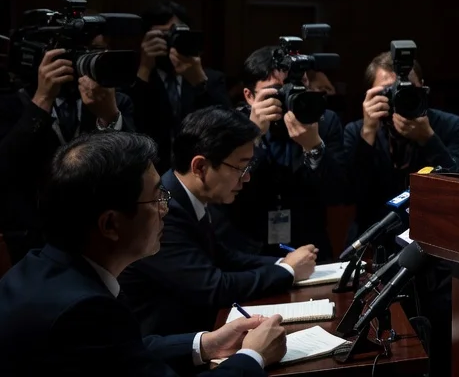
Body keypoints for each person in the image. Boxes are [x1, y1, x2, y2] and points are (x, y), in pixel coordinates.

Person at [0, 131, 287, 375]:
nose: (165, 209)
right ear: (110, 224)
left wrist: (207, 343)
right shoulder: (82, 309)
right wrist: (253, 356)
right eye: (156, 198)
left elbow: (124, 351)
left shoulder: (45, 266)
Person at [119, 107, 319, 336]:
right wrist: (287, 270)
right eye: (240, 167)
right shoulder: (164, 210)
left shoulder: (190, 196)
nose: (247, 177)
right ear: (200, 167)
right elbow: (212, 287)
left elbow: (224, 257)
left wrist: (283, 261)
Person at [0, 44, 136, 260]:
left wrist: (109, 116)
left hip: (99, 235)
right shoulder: (12, 103)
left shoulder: (116, 101)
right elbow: (6, 167)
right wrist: (42, 100)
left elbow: (136, 165)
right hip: (33, 241)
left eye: (95, 51)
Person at [216, 46, 348, 256]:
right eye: (278, 90)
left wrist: (313, 146)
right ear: (249, 96)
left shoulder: (324, 121)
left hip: (308, 245)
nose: (289, 96)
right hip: (248, 247)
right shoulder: (231, 126)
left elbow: (338, 195)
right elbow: (224, 193)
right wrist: (253, 136)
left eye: (298, 86)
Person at [337, 52, 459, 241]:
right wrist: (368, 133)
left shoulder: (450, 125)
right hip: (372, 238)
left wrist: (428, 138)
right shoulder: (355, 131)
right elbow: (350, 195)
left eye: (407, 90)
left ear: (423, 88)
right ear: (369, 95)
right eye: (388, 92)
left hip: (433, 238)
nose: (398, 98)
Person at [129, 1, 231, 171]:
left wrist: (198, 80)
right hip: (146, 170)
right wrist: (145, 68)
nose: (171, 41)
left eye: (176, 34)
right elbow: (130, 124)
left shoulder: (211, 78)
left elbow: (228, 125)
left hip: (198, 172)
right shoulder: (136, 78)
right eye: (162, 35)